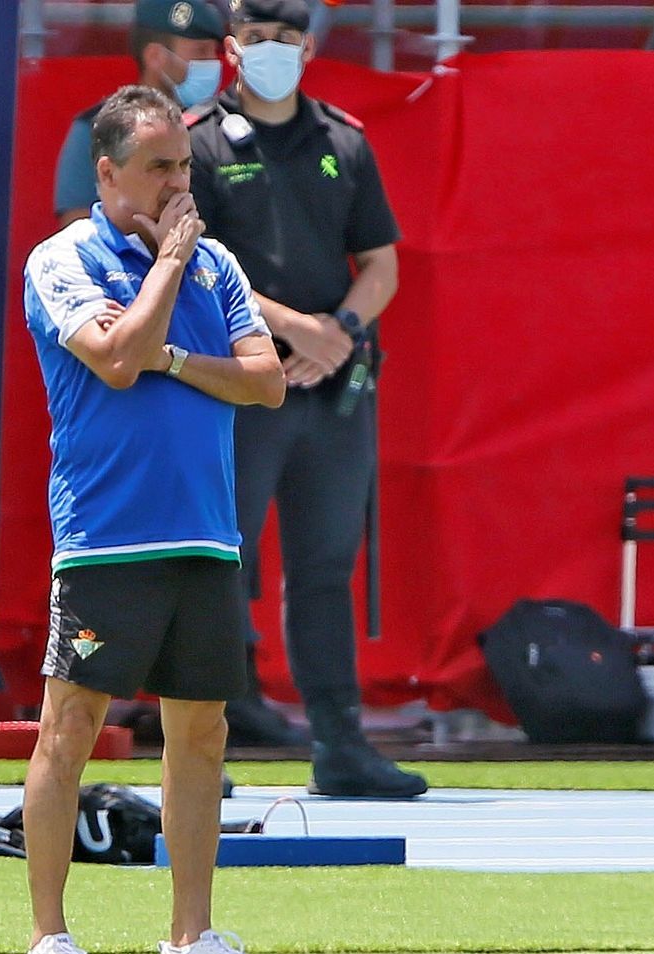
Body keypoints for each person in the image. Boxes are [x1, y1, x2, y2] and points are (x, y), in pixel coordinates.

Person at [20, 85, 290, 954]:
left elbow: (267, 382)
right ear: (108, 173)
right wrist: (167, 269)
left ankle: (190, 941)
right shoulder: (64, 259)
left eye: (184, 164)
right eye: (157, 168)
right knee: (72, 726)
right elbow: (118, 359)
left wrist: (179, 353)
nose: (179, 184)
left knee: (202, 732)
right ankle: (50, 940)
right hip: (107, 535)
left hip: (206, 534)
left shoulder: (216, 265)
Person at [186, 0, 427, 795]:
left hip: (332, 388)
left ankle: (341, 745)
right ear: (231, 47)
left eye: (286, 40)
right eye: (257, 40)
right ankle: (201, 749)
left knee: (325, 569)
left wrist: (341, 330)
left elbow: (383, 262)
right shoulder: (200, 145)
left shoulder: (343, 142)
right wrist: (292, 326)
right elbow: (195, 267)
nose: (272, 51)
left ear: (310, 47)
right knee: (221, 561)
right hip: (244, 384)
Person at [52, 0, 229, 228]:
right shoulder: (97, 130)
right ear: (155, 56)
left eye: (214, 52)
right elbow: (77, 229)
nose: (213, 63)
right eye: (200, 52)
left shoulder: (223, 129)